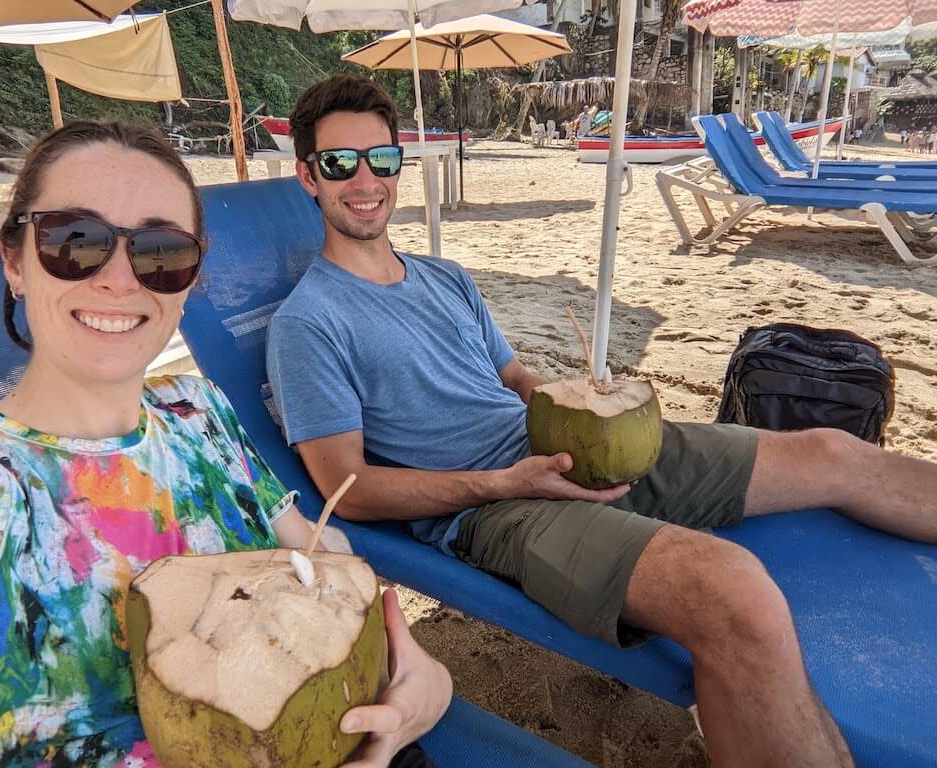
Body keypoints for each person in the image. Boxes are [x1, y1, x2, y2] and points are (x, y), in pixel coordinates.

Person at [266, 74, 937, 768]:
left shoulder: (445, 277)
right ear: (309, 176)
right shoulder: (310, 322)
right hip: (497, 509)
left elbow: (516, 380)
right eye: (341, 164)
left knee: (833, 452)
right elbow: (349, 490)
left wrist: (576, 402)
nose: (366, 180)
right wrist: (503, 482)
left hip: (569, 452)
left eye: (382, 158)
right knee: (733, 590)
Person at [0, 121, 451, 768]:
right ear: (14, 260)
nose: (119, 278)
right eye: (73, 241)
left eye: (161, 252)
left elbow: (317, 556)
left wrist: (420, 682)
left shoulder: (197, 412)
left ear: (192, 278)